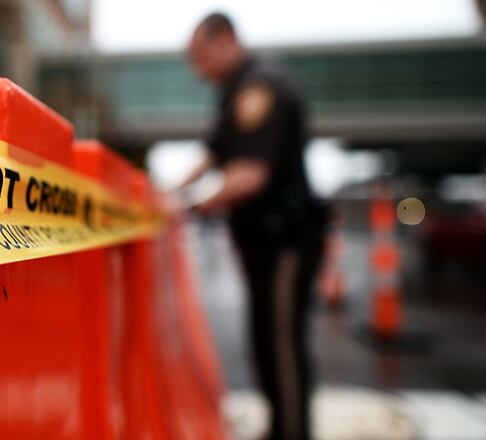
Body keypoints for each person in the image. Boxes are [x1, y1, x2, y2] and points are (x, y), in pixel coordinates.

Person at [176, 12, 329, 440]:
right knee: (264, 339)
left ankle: (292, 431)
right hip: (264, 237)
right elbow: (212, 154)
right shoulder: (235, 93)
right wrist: (168, 193)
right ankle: (281, 426)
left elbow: (250, 174)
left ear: (223, 40)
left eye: (199, 56)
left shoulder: (259, 88)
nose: (197, 69)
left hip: (285, 240)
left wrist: (186, 206)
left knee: (281, 344)